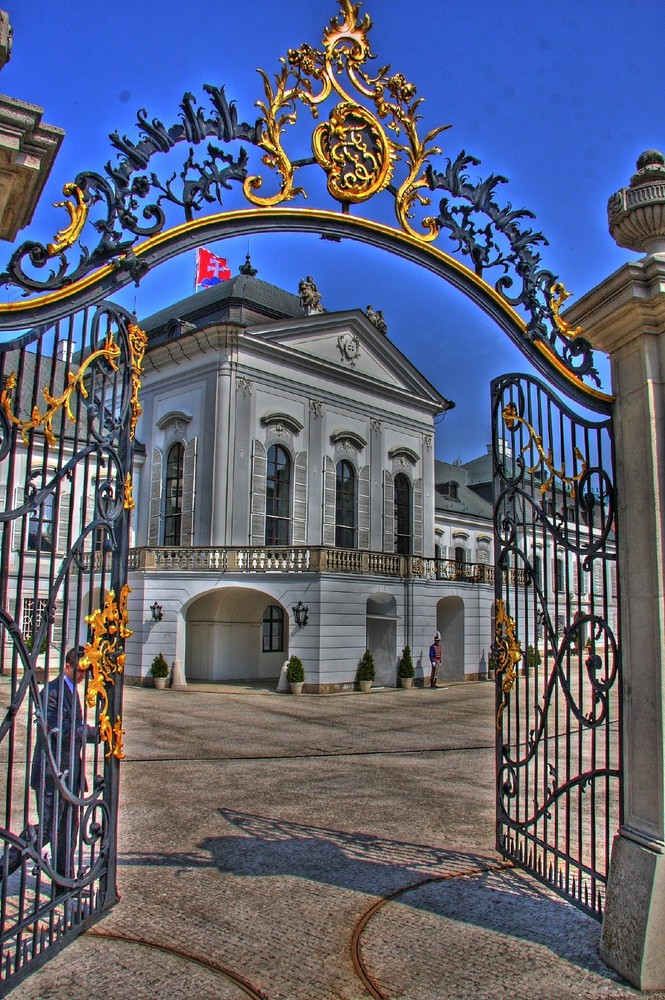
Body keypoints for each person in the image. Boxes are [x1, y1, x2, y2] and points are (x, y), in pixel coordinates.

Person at [1, 647, 97, 889]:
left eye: (85, 672)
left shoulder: (70, 690)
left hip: (68, 774)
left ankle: (63, 884)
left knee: (67, 831)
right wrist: (93, 733)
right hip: (51, 774)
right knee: (46, 829)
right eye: (79, 671)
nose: (82, 676)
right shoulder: (51, 692)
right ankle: (3, 867)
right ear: (67, 667)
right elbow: (59, 730)